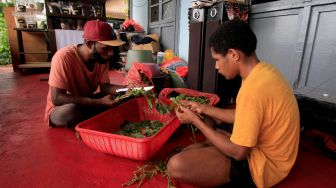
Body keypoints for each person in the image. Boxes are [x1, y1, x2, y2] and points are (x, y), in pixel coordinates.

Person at [167, 20, 300, 188]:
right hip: (271, 152)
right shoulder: (262, 72)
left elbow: (239, 153)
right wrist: (203, 108)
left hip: (264, 167)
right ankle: (215, 143)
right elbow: (242, 115)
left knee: (176, 166)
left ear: (233, 54)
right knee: (205, 128)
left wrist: (195, 120)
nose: (216, 66)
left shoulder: (253, 90)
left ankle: (216, 147)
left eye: (217, 59)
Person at [45, 20, 127, 128]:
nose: (111, 53)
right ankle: (93, 115)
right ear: (90, 44)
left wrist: (128, 89)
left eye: (112, 48)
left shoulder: (101, 58)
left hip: (87, 101)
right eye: (106, 48)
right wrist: (99, 103)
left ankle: (90, 116)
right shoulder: (63, 57)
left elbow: (105, 88)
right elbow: (57, 98)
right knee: (71, 111)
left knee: (122, 96)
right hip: (61, 108)